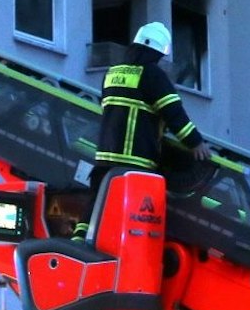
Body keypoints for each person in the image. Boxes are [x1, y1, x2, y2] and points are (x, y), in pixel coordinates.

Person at [90, 21, 213, 217]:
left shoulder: (111, 73)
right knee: (131, 218)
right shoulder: (152, 75)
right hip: (136, 163)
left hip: (104, 159)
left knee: (96, 213)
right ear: (156, 52)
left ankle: (79, 244)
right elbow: (174, 114)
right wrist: (196, 143)